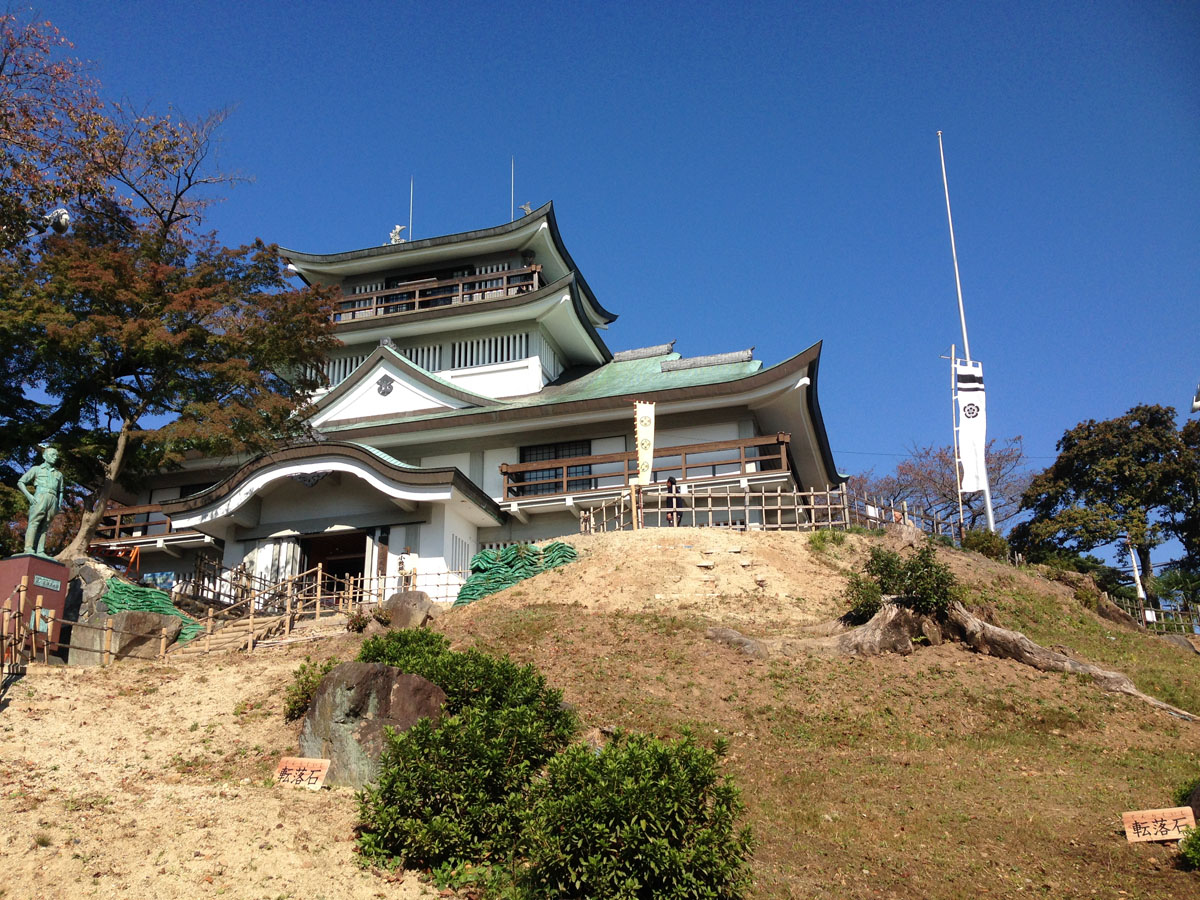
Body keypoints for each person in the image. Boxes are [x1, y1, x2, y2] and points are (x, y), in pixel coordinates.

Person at [18, 447, 65, 556]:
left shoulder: (59, 474)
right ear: (44, 456)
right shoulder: (36, 469)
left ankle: (40, 550)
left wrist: (58, 505)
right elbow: (21, 482)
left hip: (53, 498)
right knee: (34, 522)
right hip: (40, 496)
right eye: (52, 455)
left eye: (56, 456)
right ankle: (28, 548)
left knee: (45, 525)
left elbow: (61, 491)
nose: (55, 457)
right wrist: (29, 496)